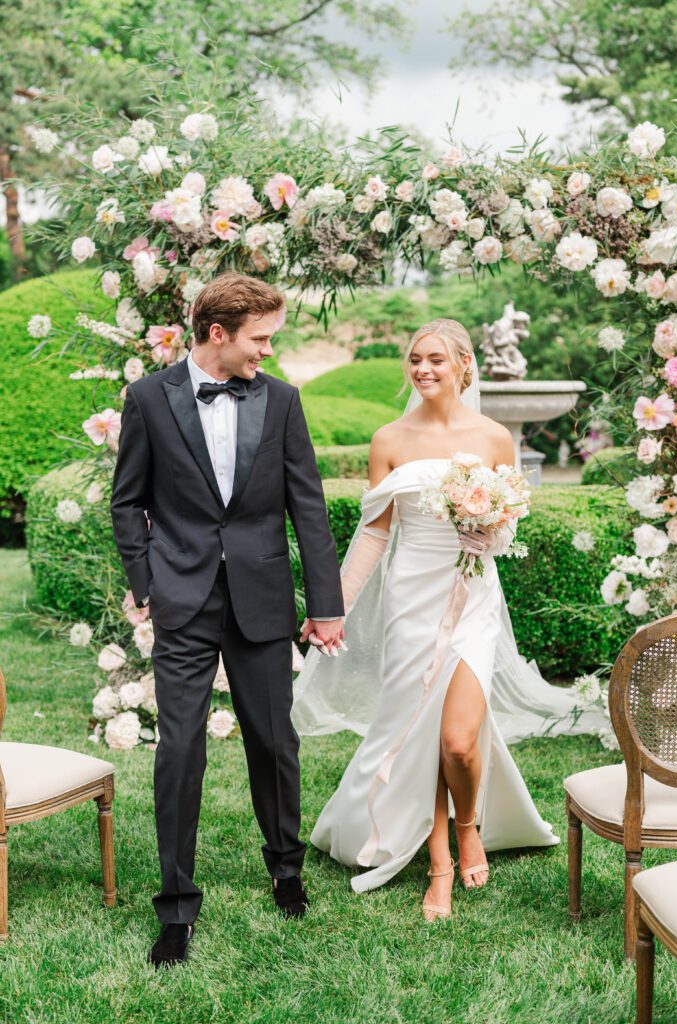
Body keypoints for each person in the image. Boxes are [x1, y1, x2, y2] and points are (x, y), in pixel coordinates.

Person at [293, 318, 599, 921]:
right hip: (412, 600)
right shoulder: (388, 440)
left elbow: (509, 526)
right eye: (414, 360)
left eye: (436, 359)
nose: (423, 369)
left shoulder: (493, 439)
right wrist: (334, 607)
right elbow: (373, 536)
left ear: (464, 365)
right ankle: (440, 860)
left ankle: (467, 826)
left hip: (473, 598)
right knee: (421, 727)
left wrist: (489, 529)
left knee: (459, 741)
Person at [110, 272, 345, 967]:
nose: (268, 352)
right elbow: (128, 501)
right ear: (219, 333)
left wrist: (325, 605)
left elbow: (307, 506)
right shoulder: (150, 398)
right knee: (180, 749)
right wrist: (145, 580)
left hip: (262, 596)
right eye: (261, 338)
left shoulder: (281, 401)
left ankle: (286, 869)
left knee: (274, 742)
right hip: (181, 599)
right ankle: (176, 907)